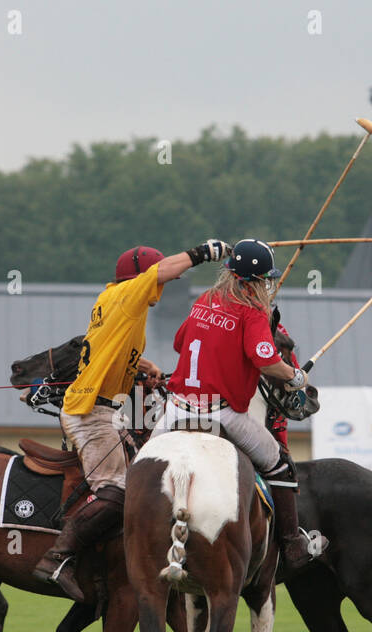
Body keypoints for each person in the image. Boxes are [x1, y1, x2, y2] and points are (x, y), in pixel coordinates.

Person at [31, 238, 232, 602]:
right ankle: (57, 558)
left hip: (103, 409)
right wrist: (204, 253)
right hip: (91, 412)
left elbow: (107, 350)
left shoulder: (114, 301)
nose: (163, 287)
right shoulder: (128, 294)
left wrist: (143, 367)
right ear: (140, 278)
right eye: (158, 282)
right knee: (121, 491)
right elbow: (163, 269)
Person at [152, 238, 321, 574]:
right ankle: (292, 543)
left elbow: (179, 342)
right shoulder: (252, 311)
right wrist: (296, 377)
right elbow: (267, 363)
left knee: (142, 466)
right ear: (254, 281)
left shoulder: (205, 298)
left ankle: (123, 532)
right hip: (222, 413)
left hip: (176, 409)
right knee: (281, 465)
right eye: (265, 280)